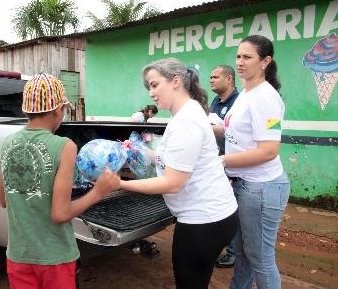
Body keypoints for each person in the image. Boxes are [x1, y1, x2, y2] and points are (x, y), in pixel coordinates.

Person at [120, 58, 238, 289]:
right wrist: (139, 150)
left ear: (175, 81)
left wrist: (119, 184)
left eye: (154, 85)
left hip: (203, 221)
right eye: (149, 87)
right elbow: (171, 158)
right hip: (214, 216)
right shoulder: (186, 113)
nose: (151, 93)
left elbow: (173, 183)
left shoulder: (186, 121)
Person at [0, 73, 120, 289]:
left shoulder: (8, 142)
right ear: (57, 110)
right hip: (55, 258)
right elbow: (60, 214)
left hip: (18, 257)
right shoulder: (65, 146)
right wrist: (98, 191)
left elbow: (4, 200)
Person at [214, 35, 290, 289]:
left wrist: (222, 160)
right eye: (238, 56)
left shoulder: (266, 98)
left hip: (261, 187)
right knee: (243, 252)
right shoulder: (246, 93)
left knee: (260, 258)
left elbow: (268, 150)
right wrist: (210, 128)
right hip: (242, 185)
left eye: (247, 57)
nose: (240, 62)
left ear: (265, 61)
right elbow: (239, 134)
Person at [209, 65, 239, 268]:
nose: (211, 79)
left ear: (229, 79)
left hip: (236, 164)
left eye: (215, 76)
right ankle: (220, 247)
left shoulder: (239, 102)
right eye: (210, 76)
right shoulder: (215, 102)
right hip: (218, 163)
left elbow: (236, 133)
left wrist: (214, 129)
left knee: (234, 211)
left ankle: (234, 253)